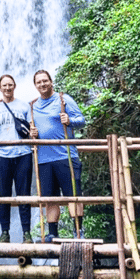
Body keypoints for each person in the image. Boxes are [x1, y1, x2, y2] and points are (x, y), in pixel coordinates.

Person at [29, 69, 86, 241]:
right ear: (35, 85)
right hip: (44, 159)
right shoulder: (32, 106)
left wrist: (69, 121)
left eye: (45, 81)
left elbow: (81, 120)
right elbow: (27, 128)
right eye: (39, 82)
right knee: (50, 198)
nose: (42, 84)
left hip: (65, 156)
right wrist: (31, 133)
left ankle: (78, 231)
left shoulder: (63, 99)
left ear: (51, 81)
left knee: (73, 195)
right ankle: (52, 233)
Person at [0, 74, 34, 243]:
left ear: (14, 86)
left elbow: (32, 129)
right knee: (3, 194)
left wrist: (34, 134)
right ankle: (5, 232)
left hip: (23, 154)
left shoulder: (24, 106)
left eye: (10, 85)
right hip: (0, 155)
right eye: (4, 85)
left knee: (24, 194)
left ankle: (27, 233)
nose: (7, 88)